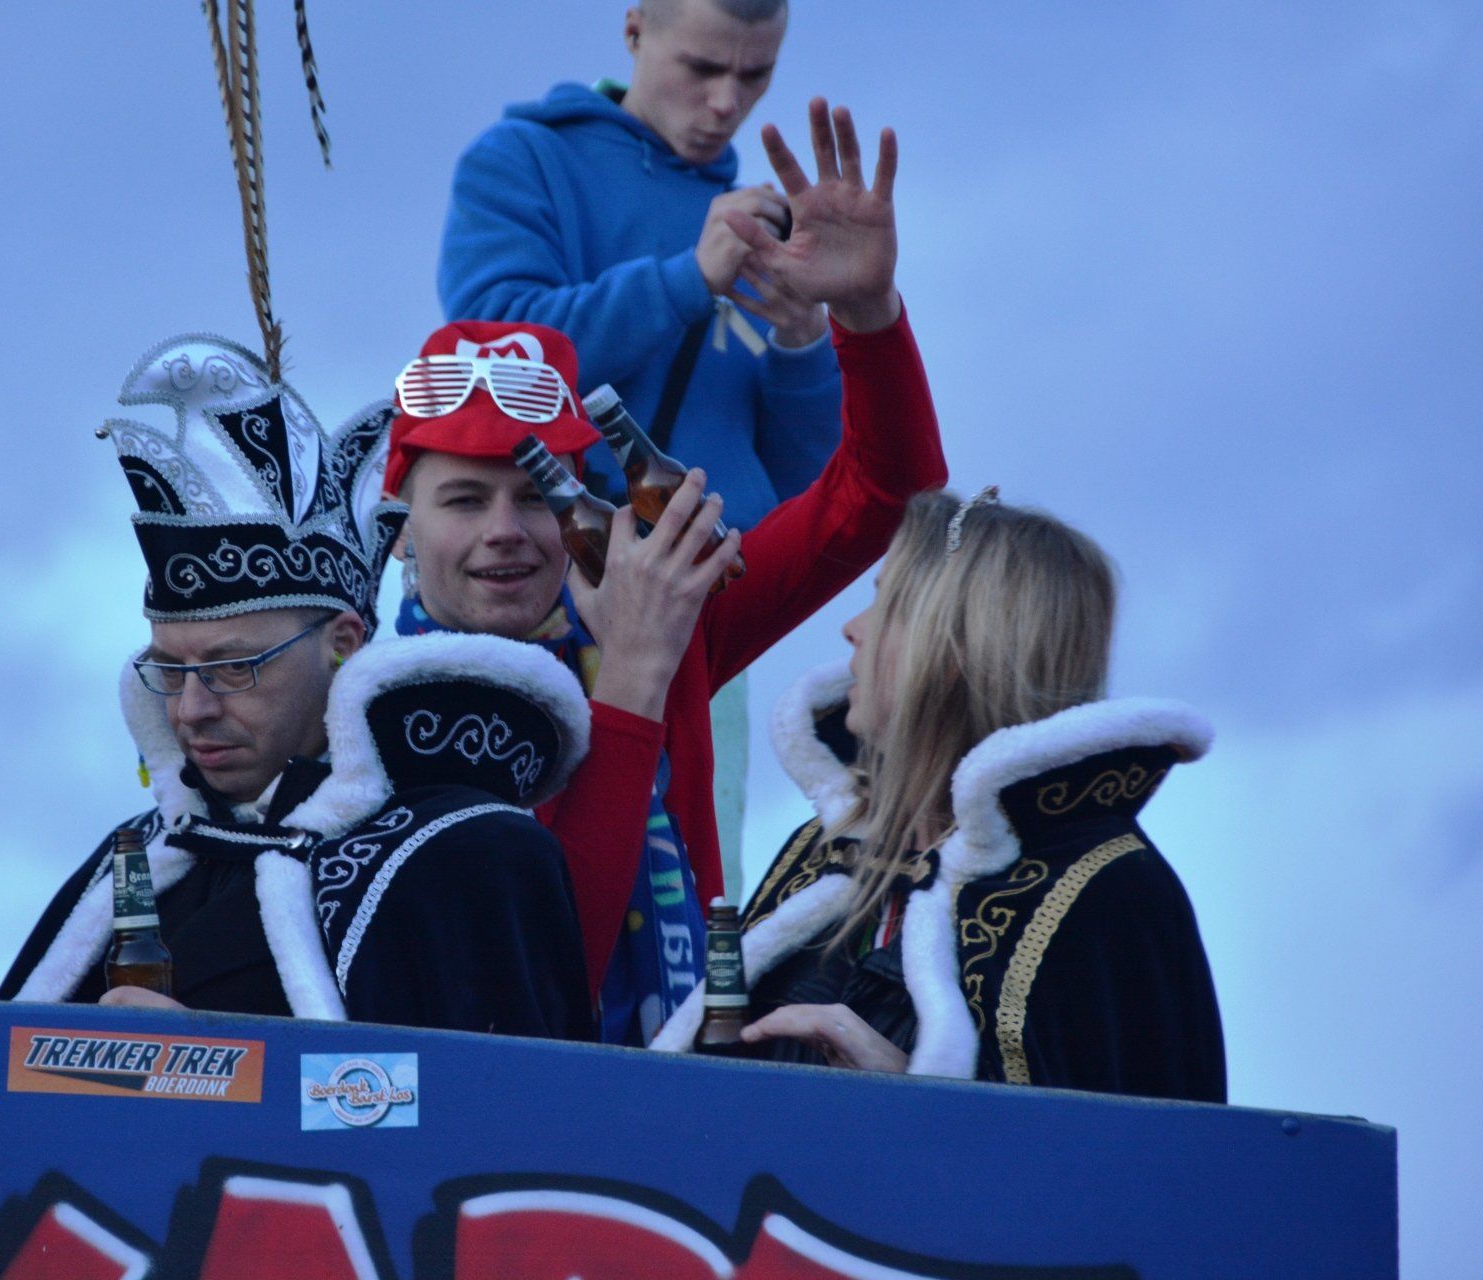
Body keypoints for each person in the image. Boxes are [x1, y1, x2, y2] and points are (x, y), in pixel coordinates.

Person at [387, 100, 946, 1045]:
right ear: (402, 529)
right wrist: (635, 679)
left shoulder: (658, 616)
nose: (506, 532)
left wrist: (865, 316)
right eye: (464, 501)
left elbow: (886, 492)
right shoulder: (366, 712)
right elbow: (546, 975)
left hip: (682, 1106)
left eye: (539, 495)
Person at [1, 334, 594, 1040]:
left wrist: (204, 1063)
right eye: (171, 671)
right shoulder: (137, 859)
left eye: (234, 667)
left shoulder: (470, 852)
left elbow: (497, 1103)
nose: (192, 710)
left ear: (343, 644)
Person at [650, 489, 1228, 1102]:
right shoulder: (820, 853)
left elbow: (1131, 1155)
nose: (852, 629)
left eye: (887, 604)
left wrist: (908, 1093)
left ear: (954, 649)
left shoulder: (1110, 889)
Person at [438, 0, 835, 531]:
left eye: (754, 75)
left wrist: (804, 339)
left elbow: (803, 493)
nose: (726, 103)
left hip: (738, 571)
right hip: (571, 566)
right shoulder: (521, 158)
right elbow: (493, 366)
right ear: (634, 32)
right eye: (701, 67)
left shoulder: (754, 228)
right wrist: (688, 281)